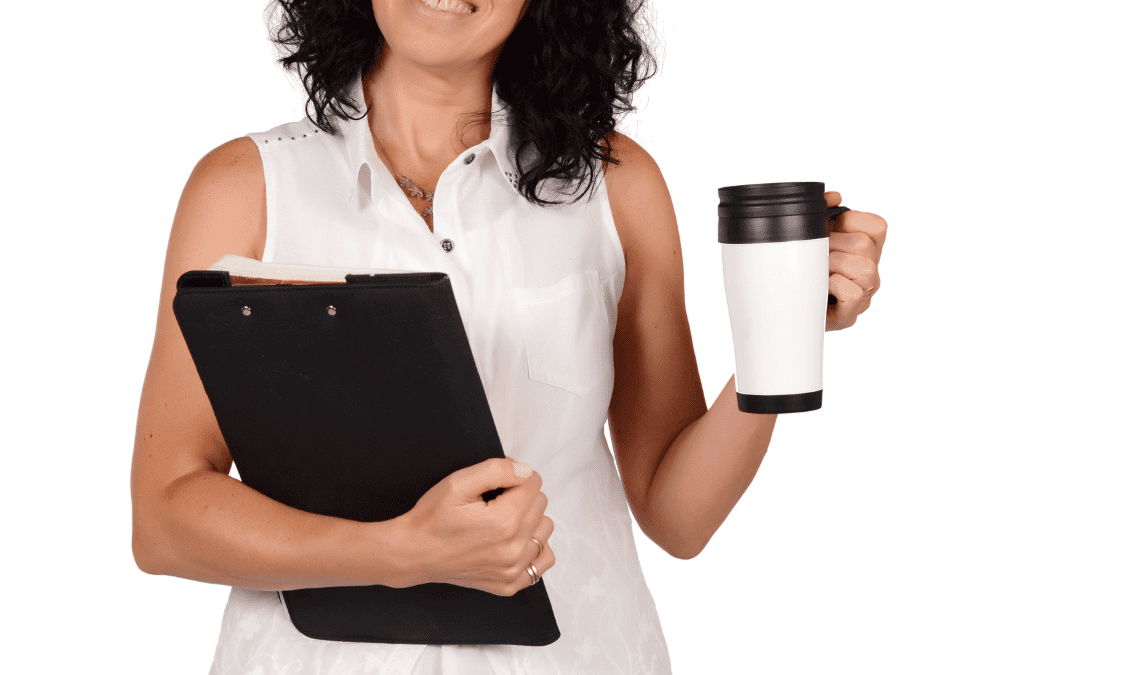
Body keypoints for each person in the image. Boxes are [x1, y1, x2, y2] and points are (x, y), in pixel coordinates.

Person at [130, 0, 887, 672]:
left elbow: (679, 516)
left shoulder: (616, 187)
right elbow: (163, 517)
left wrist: (782, 332)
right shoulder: (244, 188)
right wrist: (397, 552)